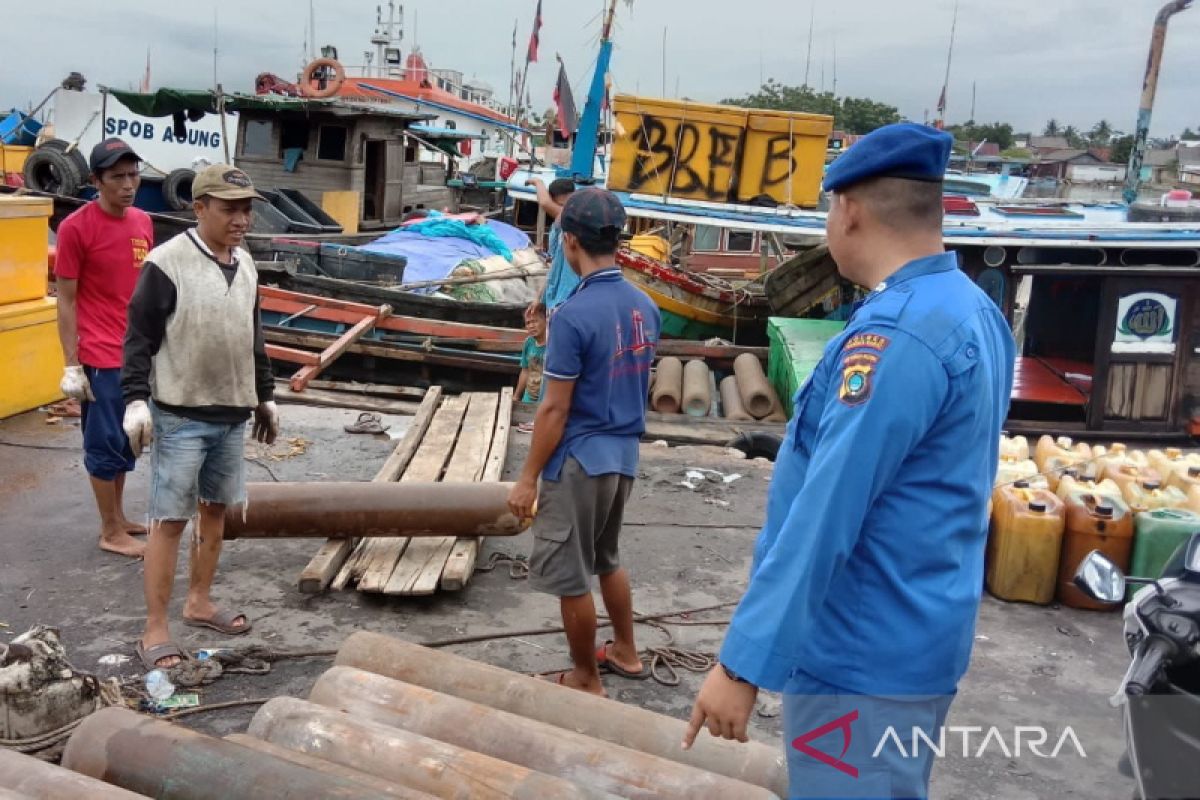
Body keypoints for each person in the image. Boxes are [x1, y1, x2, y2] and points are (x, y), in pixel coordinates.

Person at [683, 123, 1016, 799]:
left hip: (863, 653)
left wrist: (743, 664)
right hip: (919, 629)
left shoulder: (893, 336)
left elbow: (828, 512)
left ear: (850, 210)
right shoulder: (974, 311)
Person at [121, 164, 280, 671]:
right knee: (168, 520)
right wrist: (135, 400)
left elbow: (251, 337)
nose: (241, 219)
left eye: (246, 209)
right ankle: (154, 627)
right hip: (182, 415)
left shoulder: (247, 264)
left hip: (232, 413)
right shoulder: (168, 264)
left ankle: (200, 601)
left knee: (216, 512)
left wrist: (265, 395)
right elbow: (139, 338)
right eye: (230, 209)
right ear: (200, 208)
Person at [507, 188, 660, 696]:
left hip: (576, 461)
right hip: (622, 457)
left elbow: (554, 408)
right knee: (607, 558)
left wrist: (527, 478)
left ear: (569, 242)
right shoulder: (644, 306)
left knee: (571, 574)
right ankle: (626, 651)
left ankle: (585, 677)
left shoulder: (572, 314)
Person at [54, 138, 154, 559]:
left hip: (137, 353)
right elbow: (66, 299)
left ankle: (119, 515)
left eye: (133, 175)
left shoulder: (143, 221)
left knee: (130, 439)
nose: (128, 185)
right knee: (104, 442)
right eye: (117, 177)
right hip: (99, 354)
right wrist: (72, 363)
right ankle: (109, 529)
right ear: (96, 181)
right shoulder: (76, 227)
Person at [525, 177, 578, 314]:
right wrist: (538, 298)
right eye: (560, 205)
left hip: (570, 301)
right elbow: (553, 268)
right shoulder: (557, 228)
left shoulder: (576, 219)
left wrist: (537, 182)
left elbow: (544, 202)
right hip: (554, 301)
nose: (565, 210)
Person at [515, 302, 549, 433]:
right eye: (528, 323)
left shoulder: (553, 343)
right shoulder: (528, 343)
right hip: (529, 396)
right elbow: (525, 370)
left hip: (544, 399)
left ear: (546, 320)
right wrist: (517, 396)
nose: (531, 326)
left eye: (535, 321)